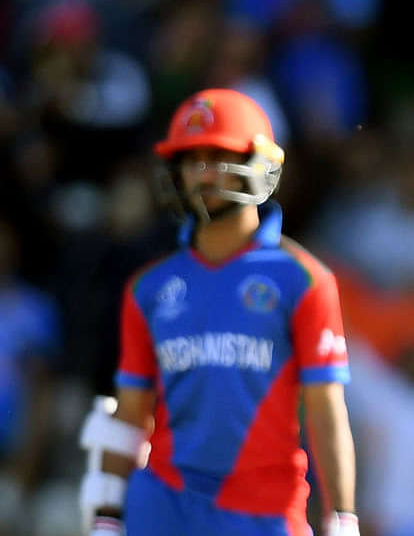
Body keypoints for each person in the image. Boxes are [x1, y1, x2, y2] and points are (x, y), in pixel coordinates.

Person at [78, 88, 360, 536]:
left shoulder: (304, 280)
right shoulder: (148, 288)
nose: (201, 174)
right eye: (191, 160)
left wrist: (341, 517)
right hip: (163, 505)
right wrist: (108, 518)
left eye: (216, 157)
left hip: (265, 512)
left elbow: (326, 410)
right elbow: (132, 411)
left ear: (259, 164)